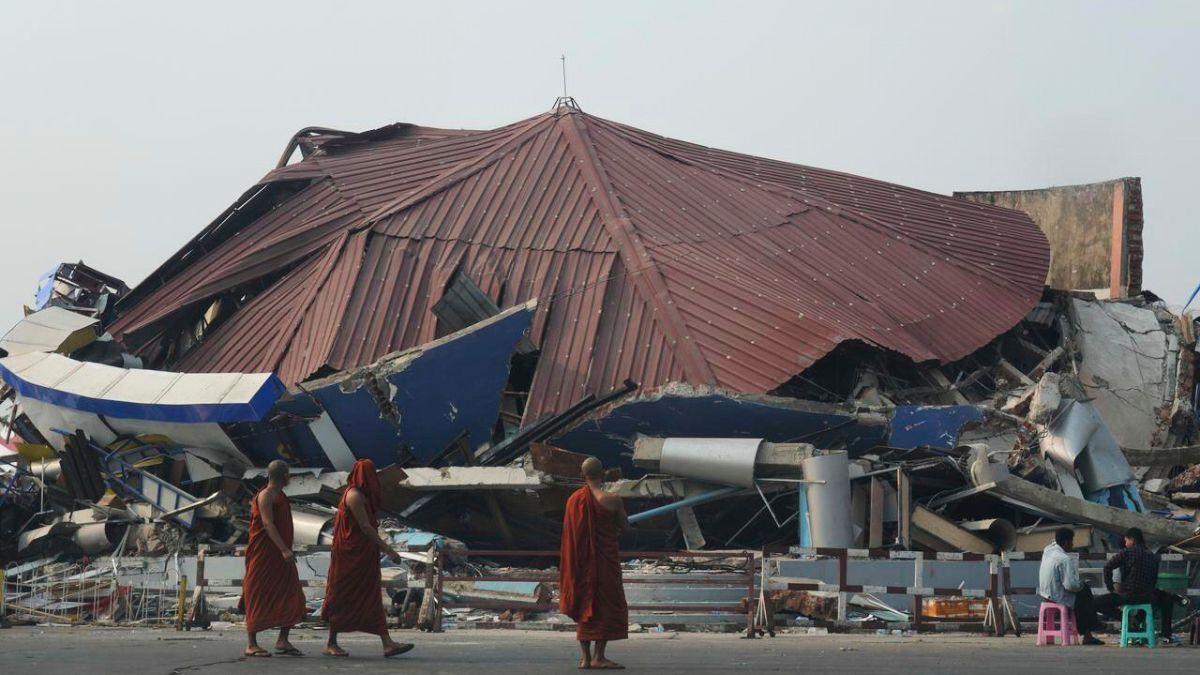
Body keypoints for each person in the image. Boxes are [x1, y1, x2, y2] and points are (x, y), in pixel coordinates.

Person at [320, 459, 414, 658]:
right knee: (342, 597)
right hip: (349, 557)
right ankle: (331, 643)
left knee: (371, 597)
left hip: (363, 556)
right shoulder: (354, 495)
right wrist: (389, 550)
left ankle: (387, 643)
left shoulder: (364, 496)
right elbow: (364, 527)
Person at [559, 456, 629, 670]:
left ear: (583, 475)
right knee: (604, 606)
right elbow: (624, 526)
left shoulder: (573, 500)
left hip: (581, 564)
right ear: (603, 473)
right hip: (605, 563)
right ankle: (599, 656)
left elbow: (569, 536)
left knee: (584, 605)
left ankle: (585, 658)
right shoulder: (613, 499)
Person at [242, 460, 307, 657]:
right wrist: (284, 549)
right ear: (284, 476)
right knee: (257, 593)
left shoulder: (281, 495)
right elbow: (268, 524)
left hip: (281, 555)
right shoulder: (265, 495)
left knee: (292, 592)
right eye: (288, 474)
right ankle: (251, 643)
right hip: (265, 553)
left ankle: (283, 640)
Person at [1093, 527, 1174, 643]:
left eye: (1126, 541)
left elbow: (1107, 567)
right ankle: (1166, 634)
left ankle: (1128, 619)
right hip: (1148, 596)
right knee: (1166, 598)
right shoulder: (1152, 556)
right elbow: (1154, 579)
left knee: (1096, 602)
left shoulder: (1127, 552)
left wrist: (1111, 588)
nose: (1125, 544)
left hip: (1129, 595)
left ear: (1133, 540)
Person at [1037, 527, 1103, 645]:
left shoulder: (1048, 550)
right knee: (1085, 594)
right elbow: (1070, 586)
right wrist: (1081, 584)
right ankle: (1088, 632)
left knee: (1082, 595)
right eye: (1072, 541)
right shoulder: (1064, 559)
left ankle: (1089, 629)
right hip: (1058, 596)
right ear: (1067, 542)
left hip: (1046, 593)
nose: (1072, 544)